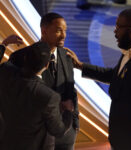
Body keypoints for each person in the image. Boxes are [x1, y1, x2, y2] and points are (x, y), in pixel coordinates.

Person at [66, 8, 131, 150]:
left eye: (118, 27)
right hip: (120, 140)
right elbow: (116, 76)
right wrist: (81, 66)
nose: (114, 32)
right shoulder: (130, 51)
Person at [8, 12, 79, 150]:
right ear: (44, 31)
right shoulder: (20, 57)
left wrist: (74, 124)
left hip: (66, 137)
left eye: (65, 31)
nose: (64, 36)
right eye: (59, 30)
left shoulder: (67, 56)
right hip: (36, 139)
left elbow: (71, 90)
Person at [0, 41, 73, 150]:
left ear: (25, 58)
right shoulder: (49, 96)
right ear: (47, 65)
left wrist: (3, 45)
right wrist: (68, 111)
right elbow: (58, 130)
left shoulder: (5, 72)